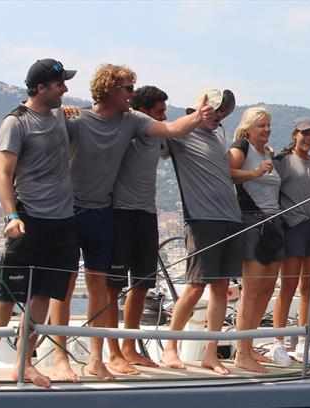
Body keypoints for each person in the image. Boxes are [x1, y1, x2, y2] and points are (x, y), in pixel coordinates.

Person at [49, 63, 214, 383]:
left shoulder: (133, 121)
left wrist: (198, 114)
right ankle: (60, 356)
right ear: (110, 89)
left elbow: (172, 130)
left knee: (100, 287)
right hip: (70, 211)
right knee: (65, 287)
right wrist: (58, 108)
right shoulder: (76, 118)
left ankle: (97, 359)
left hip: (102, 213)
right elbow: (42, 146)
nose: (131, 94)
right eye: (127, 88)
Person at [0, 59, 78, 390]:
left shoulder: (60, 116)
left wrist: (69, 110)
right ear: (40, 89)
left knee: (44, 296)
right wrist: (11, 216)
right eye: (59, 84)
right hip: (29, 219)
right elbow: (4, 174)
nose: (65, 88)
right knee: (7, 294)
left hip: (63, 222)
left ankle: (25, 361)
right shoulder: (15, 123)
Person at [160, 88, 241, 376]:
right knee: (195, 287)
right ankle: (170, 346)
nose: (218, 114)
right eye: (214, 108)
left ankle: (211, 352)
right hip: (201, 219)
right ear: (200, 106)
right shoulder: (181, 132)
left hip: (230, 218)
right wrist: (194, 117)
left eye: (222, 111)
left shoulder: (219, 136)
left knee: (221, 288)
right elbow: (157, 145)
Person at [105, 85, 169, 375]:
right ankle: (113, 351)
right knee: (113, 286)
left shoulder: (159, 138)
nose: (164, 116)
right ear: (143, 113)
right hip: (119, 213)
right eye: (159, 111)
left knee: (142, 284)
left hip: (147, 214)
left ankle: (130, 347)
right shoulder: (126, 131)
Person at [270, 118, 310, 365]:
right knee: (288, 286)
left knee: (308, 286)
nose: (309, 138)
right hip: (293, 227)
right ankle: (278, 343)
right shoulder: (283, 161)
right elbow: (270, 189)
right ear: (295, 133)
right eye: (305, 133)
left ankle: (302, 343)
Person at [229, 107, 283, 373]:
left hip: (273, 223)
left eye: (269, 125)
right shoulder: (242, 147)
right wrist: (256, 173)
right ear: (249, 128)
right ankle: (241, 352)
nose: (267, 130)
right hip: (252, 221)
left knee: (266, 289)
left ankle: (250, 347)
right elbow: (228, 172)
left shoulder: (266, 153)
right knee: (250, 291)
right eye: (262, 125)